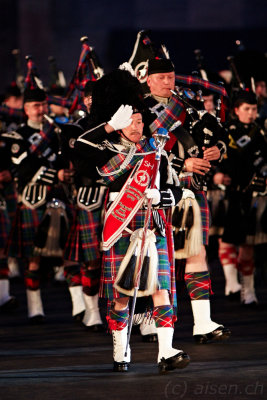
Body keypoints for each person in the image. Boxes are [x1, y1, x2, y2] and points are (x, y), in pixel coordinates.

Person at [74, 69, 190, 373]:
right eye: (132, 122)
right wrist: (110, 126)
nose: (138, 127)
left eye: (140, 122)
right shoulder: (106, 152)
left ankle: (166, 351)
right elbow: (79, 147)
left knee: (160, 287)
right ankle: (120, 349)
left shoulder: (157, 151)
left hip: (153, 223)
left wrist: (162, 196)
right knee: (123, 294)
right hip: (122, 224)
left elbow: (177, 189)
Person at [144, 58, 231, 344]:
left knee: (197, 254)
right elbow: (144, 153)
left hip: (195, 190)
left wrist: (219, 149)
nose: (168, 82)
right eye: (161, 78)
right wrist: (185, 164)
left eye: (170, 77)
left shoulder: (188, 105)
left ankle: (203, 323)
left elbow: (217, 131)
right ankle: (150, 321)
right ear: (147, 79)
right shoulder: (140, 111)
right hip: (162, 191)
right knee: (158, 259)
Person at [5, 87, 70, 323]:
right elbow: (23, 169)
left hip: (60, 199)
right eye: (35, 106)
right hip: (32, 200)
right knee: (33, 257)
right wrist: (56, 175)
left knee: (69, 255)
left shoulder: (57, 131)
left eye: (43, 105)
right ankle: (35, 308)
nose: (40, 110)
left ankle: (82, 310)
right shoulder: (17, 136)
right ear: (25, 109)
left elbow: (64, 158)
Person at [215, 90, 267, 306]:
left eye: (254, 109)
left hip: (255, 193)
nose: (251, 113)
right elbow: (215, 156)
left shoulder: (261, 131)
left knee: (249, 245)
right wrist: (216, 174)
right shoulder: (226, 131)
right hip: (232, 193)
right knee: (227, 239)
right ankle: (231, 283)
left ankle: (248, 289)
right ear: (236, 111)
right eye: (247, 109)